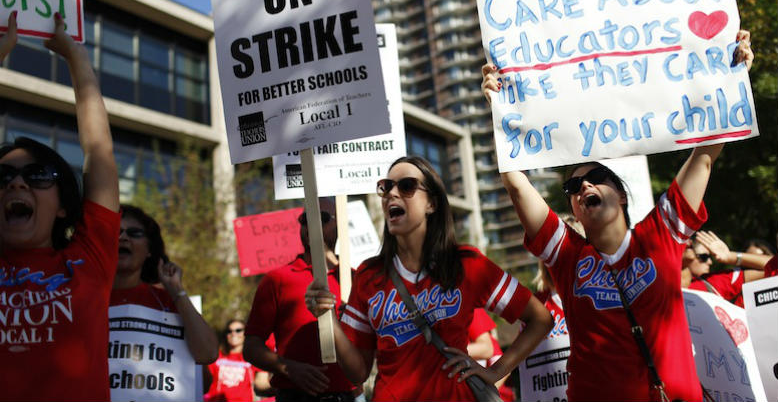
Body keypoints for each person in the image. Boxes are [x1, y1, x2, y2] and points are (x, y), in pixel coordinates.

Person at [481, 31, 754, 402]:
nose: (583, 188)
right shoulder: (566, 254)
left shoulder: (661, 233)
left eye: (595, 178)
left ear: (621, 195)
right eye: (573, 188)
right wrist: (498, 107)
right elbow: (516, 185)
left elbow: (704, 157)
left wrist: (732, 75)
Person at [306, 156, 553, 402]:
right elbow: (357, 373)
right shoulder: (368, 276)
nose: (392, 193)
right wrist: (328, 319)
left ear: (431, 204)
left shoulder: (467, 263)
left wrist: (495, 371)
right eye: (386, 187)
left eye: (406, 186)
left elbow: (540, 319)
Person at [0, 12, 120, 401]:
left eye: (37, 176)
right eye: (3, 177)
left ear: (64, 207)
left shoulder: (90, 258)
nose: (17, 182)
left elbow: (98, 151)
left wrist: (76, 58)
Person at [244, 197, 355, 402]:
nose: (311, 223)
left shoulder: (354, 279)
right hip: (293, 396)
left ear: (339, 223)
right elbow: (251, 346)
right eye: (305, 219)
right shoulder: (277, 279)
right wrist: (287, 367)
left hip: (346, 396)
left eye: (321, 217)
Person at [110, 204, 218, 364]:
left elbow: (207, 354)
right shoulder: (80, 296)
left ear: (149, 250)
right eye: (115, 232)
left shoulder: (166, 301)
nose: (123, 238)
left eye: (135, 233)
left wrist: (177, 291)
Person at [683, 229, 771, 307]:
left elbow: (773, 268)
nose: (710, 262)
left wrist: (731, 256)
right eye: (704, 257)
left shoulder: (713, 282)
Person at [205, 319, 273, 402]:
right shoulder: (216, 355)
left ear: (246, 333)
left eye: (238, 330)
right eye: (229, 331)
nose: (233, 334)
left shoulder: (253, 357)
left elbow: (261, 383)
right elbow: (205, 379)